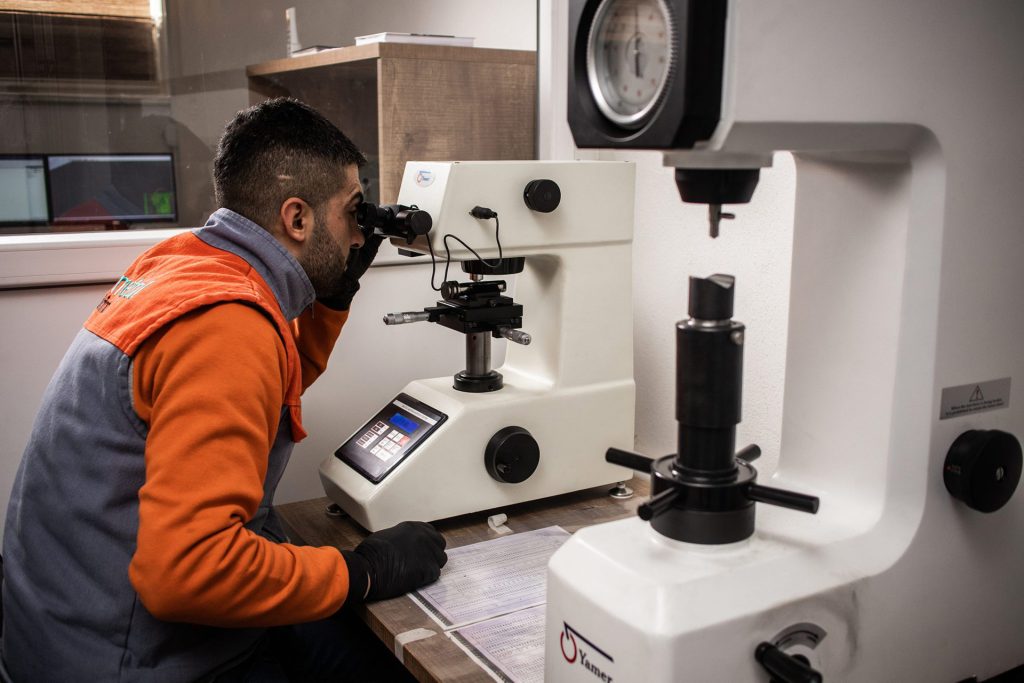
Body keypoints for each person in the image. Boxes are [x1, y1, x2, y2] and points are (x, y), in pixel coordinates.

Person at [1, 98, 447, 681]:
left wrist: (334, 298)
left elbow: (258, 390)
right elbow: (189, 573)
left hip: (59, 627)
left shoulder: (182, 265)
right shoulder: (227, 325)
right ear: (297, 219)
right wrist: (363, 572)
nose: (360, 233)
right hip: (126, 661)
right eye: (351, 211)